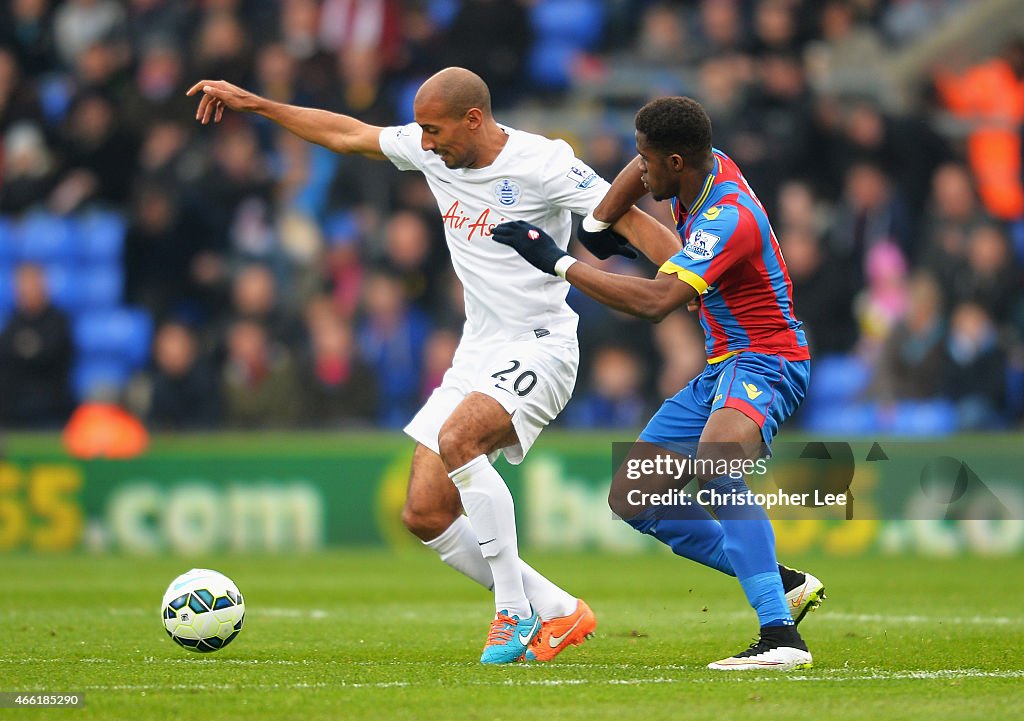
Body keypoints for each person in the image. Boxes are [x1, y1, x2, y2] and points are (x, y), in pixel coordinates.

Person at [188, 67, 676, 664]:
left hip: (541, 344)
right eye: (420, 130)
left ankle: (512, 611)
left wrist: (691, 272)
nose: (424, 143)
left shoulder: (543, 162)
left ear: (474, 119)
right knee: (425, 510)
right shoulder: (434, 153)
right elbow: (347, 134)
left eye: (434, 129)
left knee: (458, 438)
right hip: (478, 350)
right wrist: (253, 102)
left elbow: (628, 219)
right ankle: (557, 609)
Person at [492, 96, 823, 671]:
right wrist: (598, 223)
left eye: (646, 162)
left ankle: (780, 636)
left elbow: (658, 304)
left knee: (718, 461)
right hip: (722, 365)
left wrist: (557, 261)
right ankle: (781, 580)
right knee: (634, 497)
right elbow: (627, 185)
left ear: (675, 162)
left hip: (767, 360)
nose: (638, 171)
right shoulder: (695, 169)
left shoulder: (728, 215)